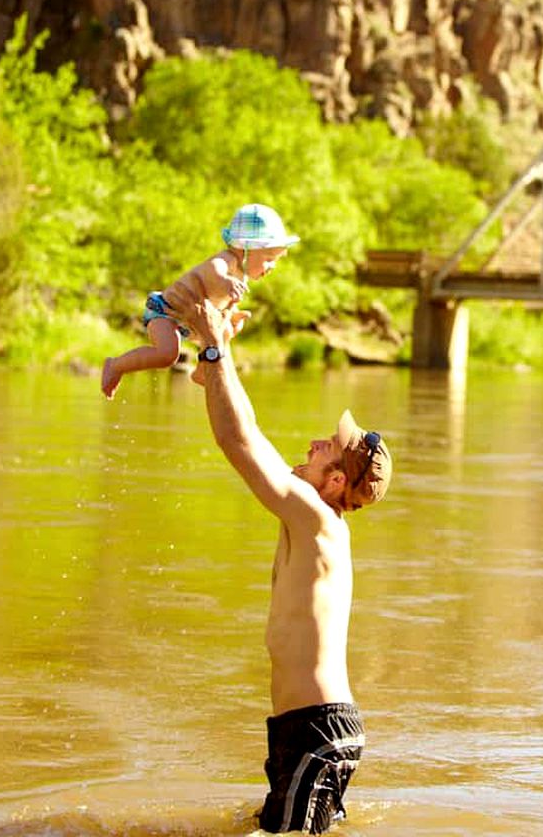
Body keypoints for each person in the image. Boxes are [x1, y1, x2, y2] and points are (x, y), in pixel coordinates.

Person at [162, 279, 393, 835]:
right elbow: (250, 435)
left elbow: (239, 446)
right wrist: (217, 357)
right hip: (304, 730)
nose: (315, 444)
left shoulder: (315, 520)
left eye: (326, 448)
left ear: (336, 480)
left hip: (318, 731)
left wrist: (216, 349)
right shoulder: (310, 518)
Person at [100, 203, 299, 398]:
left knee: (226, 332)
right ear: (245, 248)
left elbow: (223, 305)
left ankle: (201, 370)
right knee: (167, 355)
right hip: (166, 311)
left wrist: (231, 316)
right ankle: (116, 365)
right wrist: (225, 281)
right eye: (269, 258)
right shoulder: (227, 260)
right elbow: (214, 270)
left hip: (191, 322)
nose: (272, 266)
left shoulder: (242, 276)